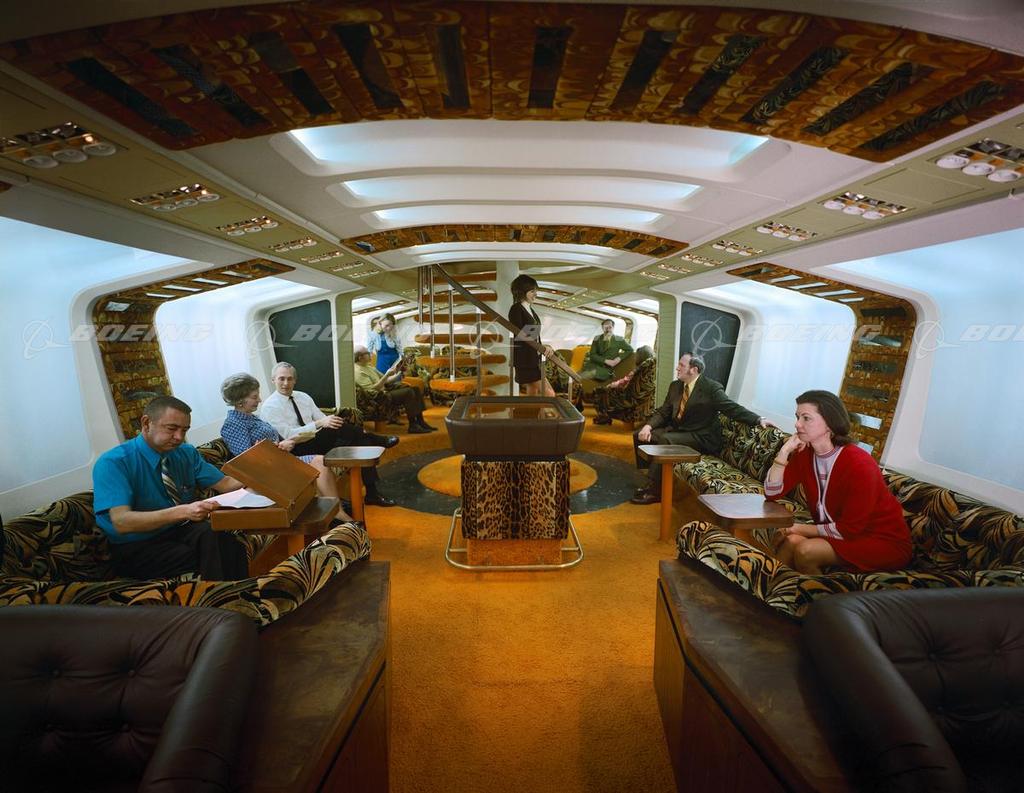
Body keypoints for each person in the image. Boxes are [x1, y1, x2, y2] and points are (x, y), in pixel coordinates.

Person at [92, 396, 248, 580]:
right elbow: (121, 522)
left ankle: (236, 592)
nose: (179, 437)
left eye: (184, 430)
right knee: (208, 553)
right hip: (136, 544)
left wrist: (263, 468)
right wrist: (184, 511)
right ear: (146, 423)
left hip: (176, 530)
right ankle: (222, 595)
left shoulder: (185, 453)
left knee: (224, 540)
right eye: (172, 429)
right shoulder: (114, 462)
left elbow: (226, 484)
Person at [765, 390, 911, 575]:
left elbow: (849, 529)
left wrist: (795, 528)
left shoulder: (860, 464)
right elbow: (772, 493)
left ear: (829, 423)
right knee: (791, 542)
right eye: (797, 417)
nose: (797, 424)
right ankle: (770, 589)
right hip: (843, 534)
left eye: (806, 418)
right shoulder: (805, 455)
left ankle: (818, 594)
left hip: (882, 542)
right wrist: (784, 452)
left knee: (806, 551)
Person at [631, 352, 774, 504]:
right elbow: (663, 411)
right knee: (639, 434)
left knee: (666, 439)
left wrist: (758, 419)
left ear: (694, 369)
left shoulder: (711, 388)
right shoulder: (675, 386)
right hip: (680, 432)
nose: (677, 368)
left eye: (681, 365)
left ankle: (656, 491)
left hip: (701, 437)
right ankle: (651, 478)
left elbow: (732, 408)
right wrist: (648, 426)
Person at [259, 362, 397, 507]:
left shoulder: (303, 397)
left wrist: (326, 421)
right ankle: (376, 440)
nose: (286, 383)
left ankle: (372, 492)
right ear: (273, 380)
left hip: (317, 440)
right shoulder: (270, 407)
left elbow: (322, 418)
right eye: (281, 379)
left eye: (289, 379)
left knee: (359, 442)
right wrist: (320, 424)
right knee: (340, 430)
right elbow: (288, 435)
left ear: (295, 380)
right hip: (296, 447)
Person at [218, 372, 354, 520]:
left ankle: (334, 511)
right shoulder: (233, 424)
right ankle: (337, 513)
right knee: (319, 462)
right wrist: (276, 447)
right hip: (268, 471)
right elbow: (248, 460)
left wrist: (285, 443)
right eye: (255, 397)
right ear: (240, 401)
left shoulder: (251, 418)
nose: (260, 400)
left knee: (320, 460)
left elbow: (265, 446)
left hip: (279, 460)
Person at [353, 346, 435, 433]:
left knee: (415, 389)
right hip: (377, 397)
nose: (371, 354)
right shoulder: (358, 371)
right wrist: (387, 375)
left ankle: (421, 422)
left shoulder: (368, 367)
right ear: (360, 357)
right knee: (408, 392)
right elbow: (372, 390)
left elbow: (386, 380)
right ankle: (413, 425)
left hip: (384, 391)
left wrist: (399, 372)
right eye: (367, 353)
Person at [508, 274, 555, 396]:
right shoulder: (516, 309)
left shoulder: (529, 309)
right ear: (522, 291)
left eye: (536, 291)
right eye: (532, 291)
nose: (536, 294)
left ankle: (530, 410)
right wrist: (541, 347)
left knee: (532, 393)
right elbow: (521, 336)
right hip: (525, 361)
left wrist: (543, 347)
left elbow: (533, 336)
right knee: (550, 394)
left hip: (533, 359)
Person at [592, 345, 654, 425]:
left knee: (599, 391)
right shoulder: (650, 370)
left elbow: (624, 381)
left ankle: (604, 416)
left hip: (628, 398)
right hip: (642, 399)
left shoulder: (638, 371)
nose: (635, 358)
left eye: (636, 356)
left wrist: (611, 385)